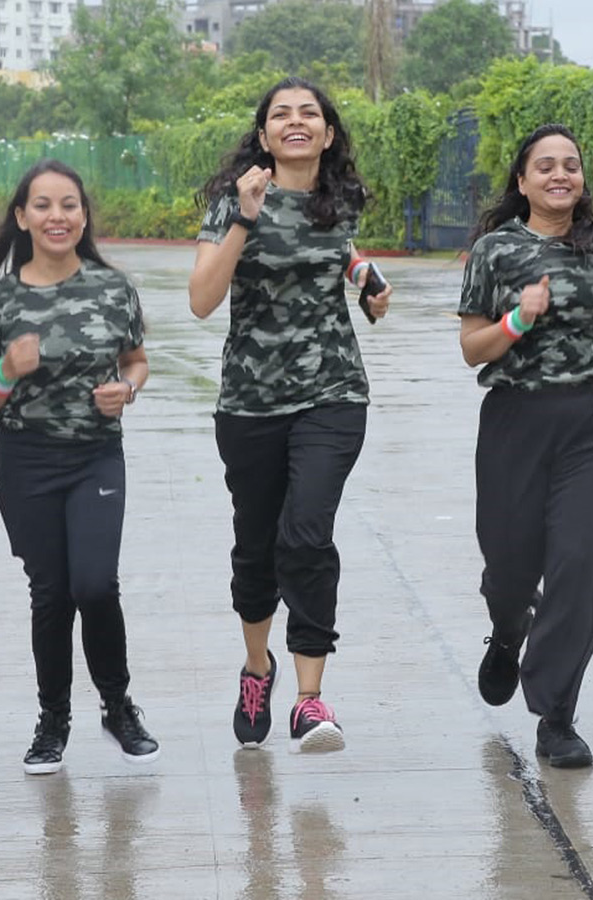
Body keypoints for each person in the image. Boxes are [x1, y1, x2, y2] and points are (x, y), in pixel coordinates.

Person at [459, 124, 593, 768]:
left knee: (579, 561)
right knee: (510, 571)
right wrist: (518, 318)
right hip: (514, 422)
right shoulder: (495, 251)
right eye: (545, 166)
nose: (561, 175)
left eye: (571, 166)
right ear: (522, 181)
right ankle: (506, 631)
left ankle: (557, 714)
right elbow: (473, 348)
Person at [188, 76, 392, 753]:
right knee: (257, 547)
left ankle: (310, 698)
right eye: (283, 114)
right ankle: (257, 668)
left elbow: (340, 251)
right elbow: (201, 299)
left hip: (333, 394)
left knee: (306, 533)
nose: (297, 122)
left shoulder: (343, 200)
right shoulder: (232, 201)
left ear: (328, 134)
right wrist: (245, 218)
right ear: (265, 133)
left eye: (310, 114)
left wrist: (365, 279)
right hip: (250, 401)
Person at [0, 158, 158, 773]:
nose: (58, 216)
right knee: (51, 594)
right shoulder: (0, 302)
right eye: (43, 205)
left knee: (95, 585)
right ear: (22, 217)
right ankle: (53, 720)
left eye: (69, 205)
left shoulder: (112, 287)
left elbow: (136, 361)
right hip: (26, 459)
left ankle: (117, 704)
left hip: (95, 455)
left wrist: (126, 391)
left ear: (83, 215)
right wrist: (7, 371)